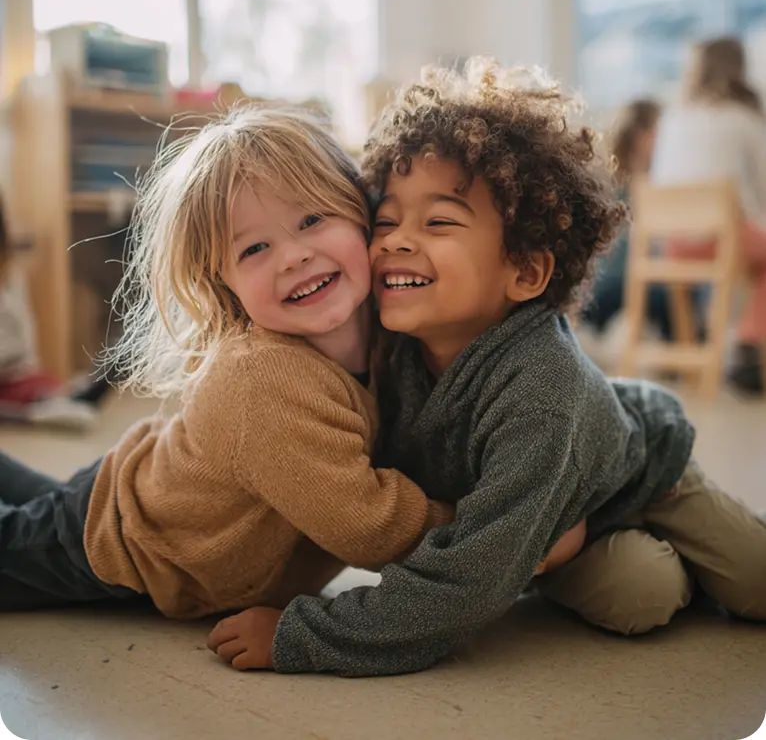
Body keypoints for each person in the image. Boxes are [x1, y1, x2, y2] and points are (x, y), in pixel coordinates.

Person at [208, 59, 766, 676]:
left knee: (756, 581)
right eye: (386, 220)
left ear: (524, 272)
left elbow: (466, 583)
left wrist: (303, 636)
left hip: (639, 471)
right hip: (543, 510)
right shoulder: (378, 337)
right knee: (642, 596)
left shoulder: (542, 391)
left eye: (439, 222)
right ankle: (604, 553)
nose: (394, 240)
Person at [0, 103, 578, 614]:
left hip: (138, 480)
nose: (294, 257)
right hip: (130, 544)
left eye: (312, 220)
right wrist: (502, 541)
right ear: (221, 282)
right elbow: (369, 525)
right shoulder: (263, 380)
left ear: (360, 214)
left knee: (39, 495)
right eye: (254, 248)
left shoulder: (391, 326)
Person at [652, 37, 766, 395]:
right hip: (724, 240)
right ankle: (749, 346)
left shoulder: (673, 119)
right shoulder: (743, 118)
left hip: (672, 243)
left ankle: (700, 348)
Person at [0, 192, 101, 430]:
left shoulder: (11, 276)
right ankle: (34, 412)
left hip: (13, 375)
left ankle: (56, 401)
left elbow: (24, 342)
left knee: (46, 387)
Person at [580, 98, 674, 343]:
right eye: (658, 132)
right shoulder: (637, 188)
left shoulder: (610, 182)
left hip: (595, 291)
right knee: (678, 293)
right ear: (640, 136)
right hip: (616, 287)